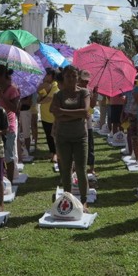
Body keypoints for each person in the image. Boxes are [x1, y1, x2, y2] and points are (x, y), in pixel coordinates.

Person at [50, 65, 90, 212]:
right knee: (65, 170)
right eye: (68, 76)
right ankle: (68, 198)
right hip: (63, 137)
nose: (71, 79)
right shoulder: (58, 95)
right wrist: (74, 114)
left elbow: (85, 112)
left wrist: (63, 112)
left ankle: (84, 201)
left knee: (81, 169)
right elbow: (55, 114)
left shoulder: (84, 92)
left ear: (78, 77)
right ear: (64, 78)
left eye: (74, 76)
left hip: (80, 137)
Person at [0, 65, 20, 182]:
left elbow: (15, 108)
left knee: (9, 156)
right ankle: (2, 178)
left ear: (2, 76)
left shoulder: (12, 90)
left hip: (9, 127)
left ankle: (11, 181)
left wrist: (3, 97)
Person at [78, 70, 98, 175]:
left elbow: (93, 105)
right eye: (83, 81)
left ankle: (91, 168)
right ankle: (77, 168)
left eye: (87, 81)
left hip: (88, 123)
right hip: (77, 123)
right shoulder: (75, 91)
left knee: (90, 146)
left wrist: (95, 94)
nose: (85, 83)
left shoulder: (89, 90)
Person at [37, 68, 59, 162]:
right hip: (45, 115)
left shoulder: (55, 86)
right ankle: (51, 152)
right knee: (48, 135)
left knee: (54, 135)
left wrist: (40, 100)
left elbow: (48, 99)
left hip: (53, 116)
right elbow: (40, 97)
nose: (44, 76)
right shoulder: (47, 85)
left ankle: (56, 154)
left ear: (51, 75)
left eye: (46, 74)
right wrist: (43, 89)